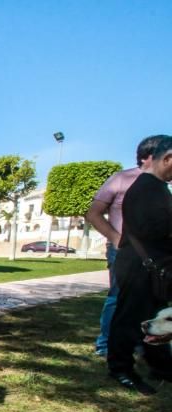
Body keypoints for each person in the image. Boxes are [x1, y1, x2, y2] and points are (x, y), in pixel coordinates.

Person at [85, 135, 162, 357]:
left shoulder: (162, 186)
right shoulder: (121, 179)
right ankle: (105, 344)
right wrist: (116, 239)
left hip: (154, 254)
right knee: (118, 297)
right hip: (123, 251)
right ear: (149, 157)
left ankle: (139, 344)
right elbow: (93, 213)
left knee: (149, 299)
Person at [107, 135, 172, 394]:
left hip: (149, 267)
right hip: (139, 267)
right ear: (168, 159)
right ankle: (121, 369)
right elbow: (151, 229)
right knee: (130, 319)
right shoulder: (146, 187)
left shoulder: (155, 187)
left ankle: (161, 365)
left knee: (154, 318)